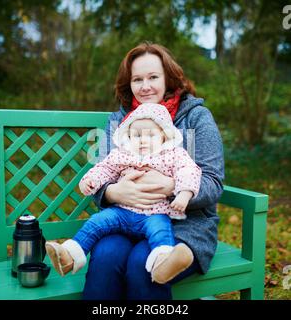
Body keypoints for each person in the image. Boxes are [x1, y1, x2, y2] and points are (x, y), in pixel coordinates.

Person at [68, 42, 224, 300]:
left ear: (168, 78)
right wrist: (114, 192)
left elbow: (213, 183)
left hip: (186, 226)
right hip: (124, 218)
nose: (145, 86)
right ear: (128, 84)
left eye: (153, 77)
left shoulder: (196, 117)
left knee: (143, 264)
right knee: (106, 256)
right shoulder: (119, 121)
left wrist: (171, 188)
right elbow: (102, 173)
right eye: (137, 79)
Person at [45, 103, 202, 284]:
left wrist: (184, 194)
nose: (143, 140)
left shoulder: (174, 154)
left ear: (164, 135)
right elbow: (105, 168)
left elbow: (189, 171)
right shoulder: (123, 154)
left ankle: (163, 263)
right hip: (122, 212)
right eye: (136, 135)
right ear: (127, 136)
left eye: (150, 135)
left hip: (154, 213)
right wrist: (91, 181)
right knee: (97, 222)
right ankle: (70, 255)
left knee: (160, 232)